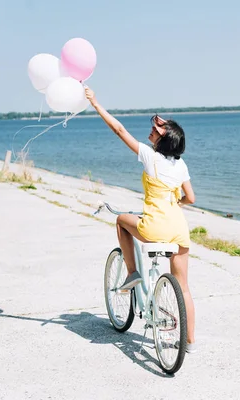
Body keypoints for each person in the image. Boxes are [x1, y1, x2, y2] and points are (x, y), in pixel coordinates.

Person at [85, 87, 197, 352]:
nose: (151, 133)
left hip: (154, 227)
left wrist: (95, 103)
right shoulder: (180, 165)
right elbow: (190, 198)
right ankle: (190, 342)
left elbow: (119, 130)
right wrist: (174, 202)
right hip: (179, 230)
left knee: (122, 220)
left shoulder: (150, 157)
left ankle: (133, 272)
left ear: (162, 141)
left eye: (156, 133)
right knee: (185, 288)